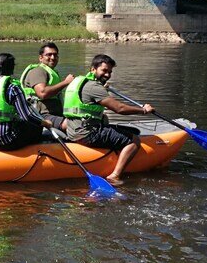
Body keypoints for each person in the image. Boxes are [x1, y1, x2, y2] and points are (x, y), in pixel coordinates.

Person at [63, 54, 155, 186]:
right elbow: (119, 109)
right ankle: (115, 176)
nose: (107, 75)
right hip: (88, 134)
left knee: (105, 119)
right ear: (93, 69)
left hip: (72, 131)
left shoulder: (80, 82)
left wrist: (102, 87)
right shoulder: (94, 87)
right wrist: (143, 110)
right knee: (133, 140)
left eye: (110, 72)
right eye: (104, 70)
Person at [0, 53, 52, 151]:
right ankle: (35, 152)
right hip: (0, 140)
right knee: (35, 126)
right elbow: (27, 116)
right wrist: (44, 123)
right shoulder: (13, 88)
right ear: (12, 68)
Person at [19, 42, 73, 131]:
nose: (53, 57)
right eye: (49, 55)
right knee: (73, 125)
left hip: (55, 114)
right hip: (42, 116)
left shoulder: (50, 72)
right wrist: (66, 82)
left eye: (55, 55)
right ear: (41, 58)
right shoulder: (38, 71)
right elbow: (42, 93)